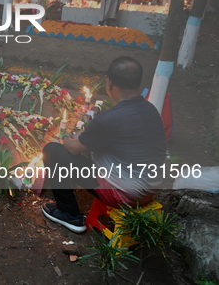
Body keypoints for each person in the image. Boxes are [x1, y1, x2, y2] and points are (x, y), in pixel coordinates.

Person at [41, 56, 166, 233]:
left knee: (53, 150)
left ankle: (69, 214)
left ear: (109, 83)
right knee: (90, 148)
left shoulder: (110, 119)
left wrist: (66, 136)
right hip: (151, 188)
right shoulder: (150, 109)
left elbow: (73, 148)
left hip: (123, 194)